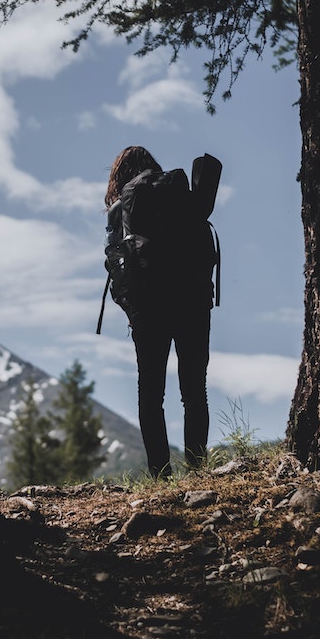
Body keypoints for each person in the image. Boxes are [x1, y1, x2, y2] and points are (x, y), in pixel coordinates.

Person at [104, 145, 216, 478]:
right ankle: (197, 472)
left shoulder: (121, 207)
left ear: (120, 175)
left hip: (149, 308)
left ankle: (161, 476)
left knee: (151, 395)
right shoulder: (179, 196)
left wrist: (129, 306)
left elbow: (114, 262)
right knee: (194, 390)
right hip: (193, 302)